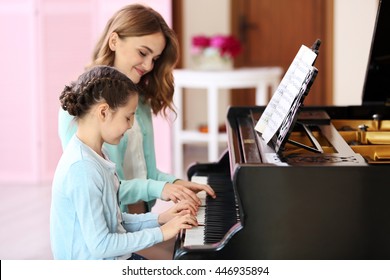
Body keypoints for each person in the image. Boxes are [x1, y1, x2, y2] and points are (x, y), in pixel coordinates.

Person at [58, 3, 215, 213]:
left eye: (155, 59)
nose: (149, 66)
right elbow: (102, 187)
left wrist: (178, 184)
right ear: (114, 41)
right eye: (143, 52)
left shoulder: (139, 101)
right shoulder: (82, 105)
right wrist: (163, 189)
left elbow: (147, 174)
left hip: (139, 221)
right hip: (111, 229)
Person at [51, 66, 198, 260]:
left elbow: (115, 222)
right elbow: (102, 245)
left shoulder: (98, 154)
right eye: (128, 117)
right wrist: (162, 233)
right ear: (103, 112)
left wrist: (161, 218)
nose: (130, 126)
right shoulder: (82, 169)